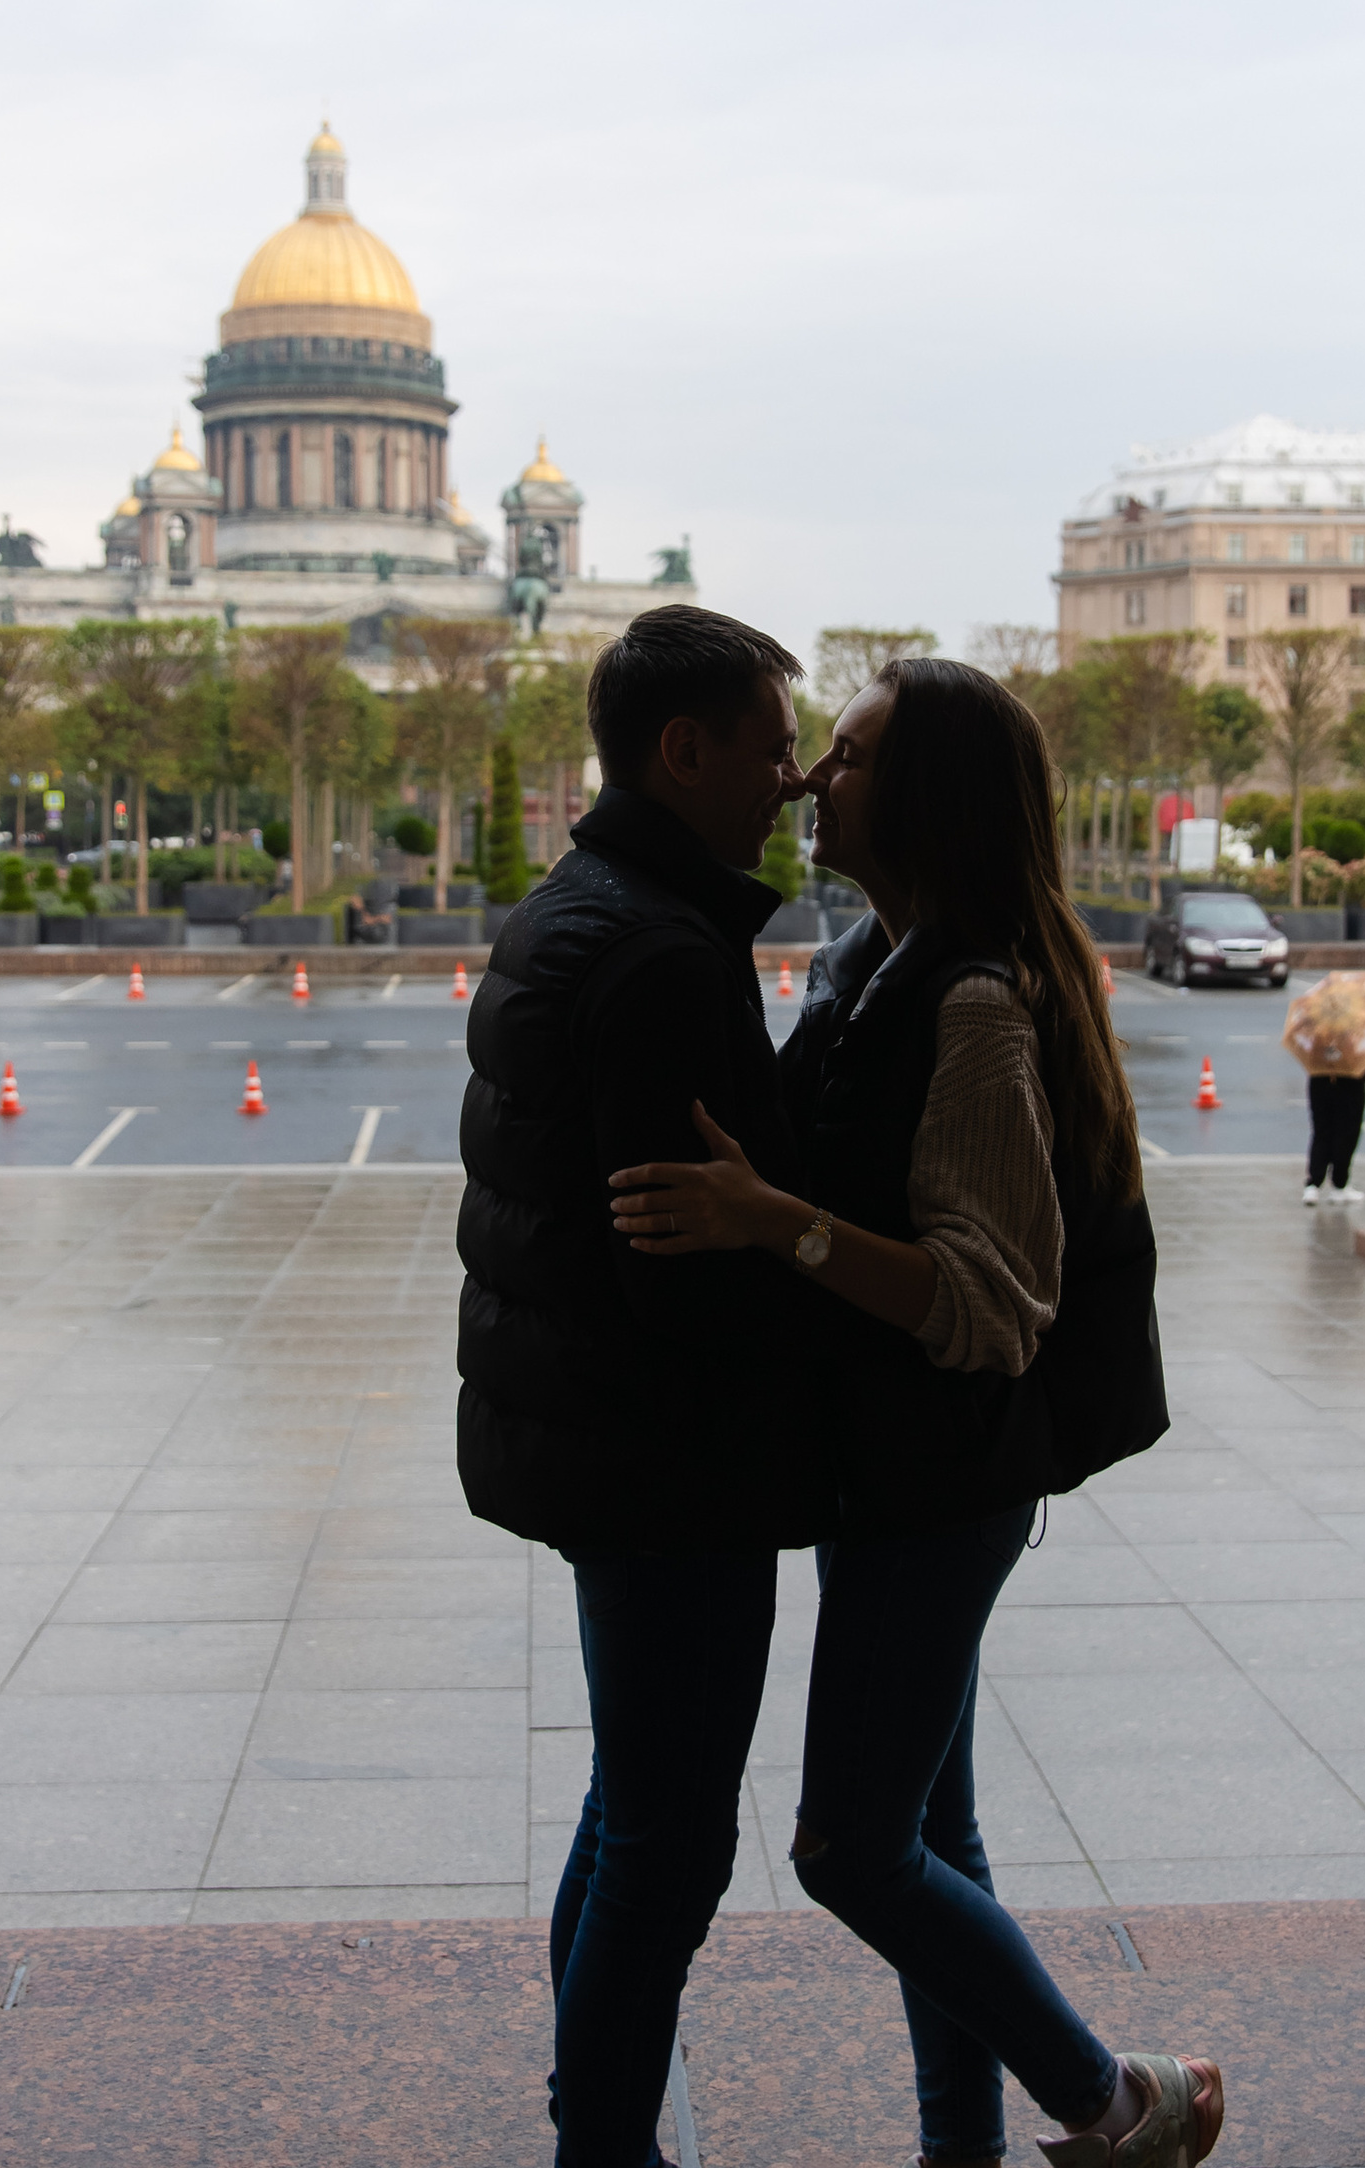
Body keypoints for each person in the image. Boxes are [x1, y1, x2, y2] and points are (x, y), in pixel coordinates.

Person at [610, 658, 1224, 2168]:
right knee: (931, 1844)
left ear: (932, 803)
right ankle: (965, 2146)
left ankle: (1109, 2101)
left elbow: (992, 1303)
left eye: (855, 758)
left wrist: (780, 1226)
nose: (815, 780)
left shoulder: (971, 1006)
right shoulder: (872, 961)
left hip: (942, 1489)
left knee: (850, 1850)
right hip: (891, 1477)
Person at [454, 605, 833, 2168]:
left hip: (594, 1446)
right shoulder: (661, 953)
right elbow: (682, 1262)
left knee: (630, 1814)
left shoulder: (586, 903)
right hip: (665, 1466)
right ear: (683, 751)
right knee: (672, 1846)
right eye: (766, 746)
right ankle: (601, 2146)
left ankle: (591, 2122)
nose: (790, 781)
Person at [1303, 1066, 1365, 1205]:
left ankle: (1314, 1184)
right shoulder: (1354, 1043)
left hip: (1320, 1076)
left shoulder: (1318, 1043)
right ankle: (1339, 1184)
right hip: (1351, 1078)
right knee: (1347, 1134)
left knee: (1322, 1132)